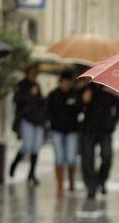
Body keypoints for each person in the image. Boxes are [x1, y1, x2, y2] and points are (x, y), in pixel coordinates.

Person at [79, 84, 119, 199]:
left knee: (107, 156)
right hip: (88, 130)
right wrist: (84, 101)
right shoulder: (86, 90)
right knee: (88, 158)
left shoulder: (109, 89)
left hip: (105, 131)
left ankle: (101, 180)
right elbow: (77, 108)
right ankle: (91, 186)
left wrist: (113, 123)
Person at [44, 69, 81, 197]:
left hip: (72, 131)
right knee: (59, 157)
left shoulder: (75, 94)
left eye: (68, 82)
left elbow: (80, 109)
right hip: (57, 131)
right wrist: (50, 122)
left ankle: (71, 181)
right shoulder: (53, 95)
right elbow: (47, 111)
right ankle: (59, 185)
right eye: (64, 82)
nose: (67, 84)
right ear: (60, 82)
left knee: (71, 158)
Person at [9, 64, 45, 185]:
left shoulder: (37, 86)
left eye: (35, 73)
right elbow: (16, 100)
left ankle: (32, 174)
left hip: (38, 120)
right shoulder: (21, 85)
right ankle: (14, 164)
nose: (34, 75)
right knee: (27, 146)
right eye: (32, 72)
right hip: (26, 119)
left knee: (36, 148)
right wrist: (30, 94)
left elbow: (40, 102)